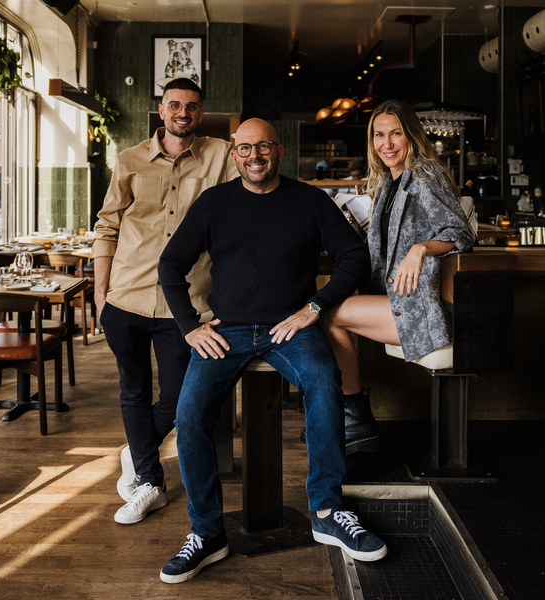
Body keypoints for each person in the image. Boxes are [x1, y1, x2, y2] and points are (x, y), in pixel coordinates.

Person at [157, 118, 386, 584]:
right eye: (245, 149)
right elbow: (171, 264)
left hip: (292, 328)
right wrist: (188, 328)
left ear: (279, 151)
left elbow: (354, 257)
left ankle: (326, 511)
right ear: (234, 154)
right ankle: (207, 533)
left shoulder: (309, 200)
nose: (254, 156)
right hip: (227, 331)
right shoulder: (215, 204)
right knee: (189, 415)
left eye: (263, 147)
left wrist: (314, 308)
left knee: (324, 385)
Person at [93, 77, 238, 525]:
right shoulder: (129, 160)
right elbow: (107, 226)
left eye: (192, 107)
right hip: (128, 296)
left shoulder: (220, 156)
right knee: (133, 391)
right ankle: (151, 483)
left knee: (179, 398)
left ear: (200, 113)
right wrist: (100, 295)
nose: (183, 113)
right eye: (175, 105)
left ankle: (136, 453)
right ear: (161, 109)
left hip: (188, 305)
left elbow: (247, 197)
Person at [318, 100, 474, 449]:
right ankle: (351, 417)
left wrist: (420, 249)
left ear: (412, 136)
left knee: (328, 313)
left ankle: (355, 420)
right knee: (328, 309)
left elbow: (460, 234)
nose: (386, 143)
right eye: (379, 135)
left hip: (423, 308)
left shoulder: (424, 174)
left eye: (395, 134)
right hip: (398, 300)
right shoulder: (388, 183)